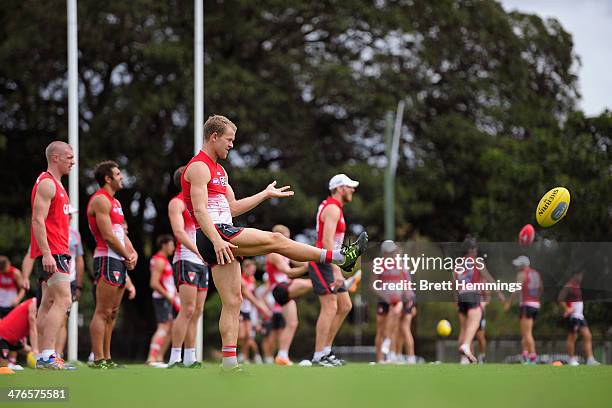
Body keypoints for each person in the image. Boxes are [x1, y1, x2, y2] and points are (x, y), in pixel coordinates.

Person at [180, 115, 367, 372]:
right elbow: (200, 212)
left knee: (233, 301)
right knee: (277, 240)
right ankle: (338, 257)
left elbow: (233, 207)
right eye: (229, 140)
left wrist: (265, 194)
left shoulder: (220, 171)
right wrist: (216, 240)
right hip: (216, 234)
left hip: (220, 234)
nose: (232, 145)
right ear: (214, 137)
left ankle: (229, 364)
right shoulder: (199, 167)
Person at [26, 141, 75, 370]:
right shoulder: (47, 183)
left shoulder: (57, 184)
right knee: (64, 300)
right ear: (55, 158)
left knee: (47, 304)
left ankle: (42, 355)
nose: (72, 161)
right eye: (68, 157)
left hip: (57, 250)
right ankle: (47, 355)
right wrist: (46, 254)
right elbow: (37, 219)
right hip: (53, 252)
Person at [87, 160, 138, 369]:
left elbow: (120, 233)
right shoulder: (100, 200)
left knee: (113, 312)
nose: (122, 177)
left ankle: (107, 358)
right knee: (102, 310)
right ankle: (98, 359)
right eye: (118, 174)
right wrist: (126, 255)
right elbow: (108, 236)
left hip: (118, 259)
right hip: (107, 258)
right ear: (107, 178)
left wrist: (132, 253)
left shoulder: (115, 202)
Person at [309, 174, 361, 367]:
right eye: (350, 186)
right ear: (340, 188)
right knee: (330, 307)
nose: (352, 190)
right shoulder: (332, 208)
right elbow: (327, 242)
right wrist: (337, 271)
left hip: (328, 261)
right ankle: (318, 356)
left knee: (345, 306)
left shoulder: (335, 207)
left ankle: (326, 351)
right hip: (323, 262)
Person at [167, 166, 210, 368]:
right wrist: (198, 250)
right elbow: (179, 232)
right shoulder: (177, 203)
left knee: (198, 310)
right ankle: (175, 357)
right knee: (187, 309)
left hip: (201, 262)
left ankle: (190, 357)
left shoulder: (199, 204)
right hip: (185, 259)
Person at [265, 225, 310, 366]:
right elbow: (289, 272)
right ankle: (342, 285)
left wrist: (316, 261)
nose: (289, 239)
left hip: (285, 290)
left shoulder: (284, 254)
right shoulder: (274, 254)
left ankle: (282, 355)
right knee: (309, 283)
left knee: (292, 323)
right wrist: (307, 268)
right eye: (287, 236)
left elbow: (301, 260)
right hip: (279, 288)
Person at [454, 236, 499, 364]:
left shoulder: (458, 264)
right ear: (472, 250)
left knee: (464, 328)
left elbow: (453, 283)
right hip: (472, 294)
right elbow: (488, 276)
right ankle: (466, 346)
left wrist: (456, 298)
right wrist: (499, 292)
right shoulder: (476, 261)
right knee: (475, 320)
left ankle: (464, 359)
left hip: (462, 295)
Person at [504, 255, 542, 364]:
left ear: (523, 265)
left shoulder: (522, 274)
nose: (516, 266)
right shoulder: (536, 274)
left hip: (526, 305)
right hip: (535, 305)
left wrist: (509, 303)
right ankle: (525, 354)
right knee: (525, 332)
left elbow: (516, 290)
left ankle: (533, 356)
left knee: (527, 333)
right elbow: (541, 288)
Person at [558, 271, 600, 366]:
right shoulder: (569, 285)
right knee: (572, 337)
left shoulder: (577, 286)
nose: (581, 277)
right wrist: (567, 309)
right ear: (574, 275)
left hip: (580, 316)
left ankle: (590, 359)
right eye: (579, 275)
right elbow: (560, 298)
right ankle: (571, 359)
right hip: (573, 316)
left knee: (588, 336)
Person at [147, 235, 177, 367]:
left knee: (170, 328)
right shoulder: (159, 260)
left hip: (167, 298)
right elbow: (154, 283)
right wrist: (168, 295)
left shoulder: (164, 260)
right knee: (163, 327)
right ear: (164, 245)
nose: (173, 248)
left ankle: (159, 357)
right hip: (162, 298)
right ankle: (151, 358)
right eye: (171, 245)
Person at [0, 298, 38, 372]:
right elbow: (33, 329)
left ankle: (10, 365)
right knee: (3, 369)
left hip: (10, 340)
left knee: (25, 348)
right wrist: (35, 350)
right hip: (3, 337)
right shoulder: (33, 304)